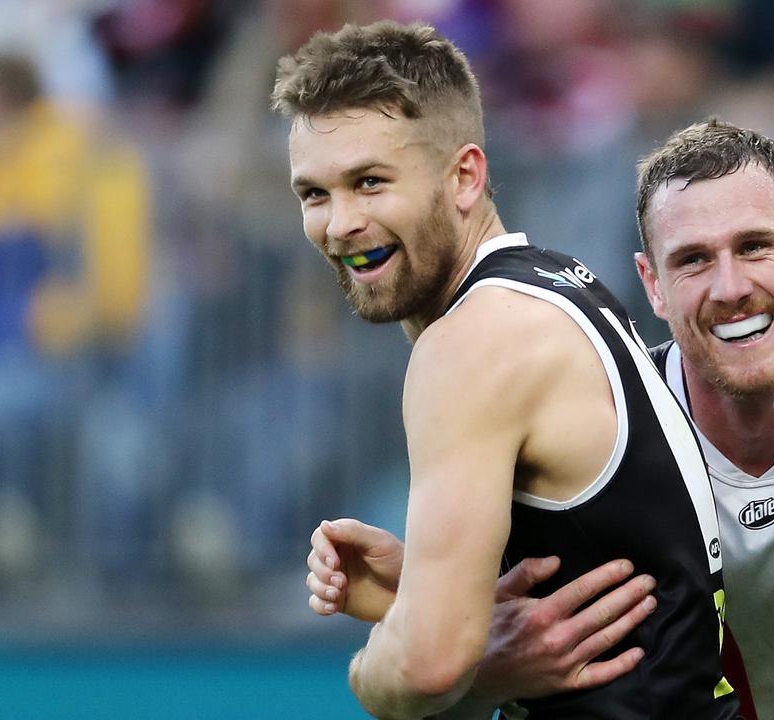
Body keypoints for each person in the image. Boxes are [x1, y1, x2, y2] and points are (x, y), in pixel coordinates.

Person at [305, 118, 774, 719]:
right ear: (651, 284)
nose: (730, 288)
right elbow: (485, 670)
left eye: (755, 247)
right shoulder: (602, 429)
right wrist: (440, 616)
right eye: (692, 260)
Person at [273, 22, 738, 719]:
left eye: (370, 182)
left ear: (465, 176)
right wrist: (424, 590)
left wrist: (376, 665)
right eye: (315, 194)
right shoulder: (553, 281)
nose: (340, 224)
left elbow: (431, 671)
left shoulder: (471, 344)